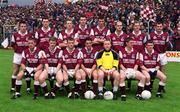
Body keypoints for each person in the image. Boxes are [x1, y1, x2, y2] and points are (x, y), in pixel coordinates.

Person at [10, 21, 33, 93]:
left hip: (27, 56)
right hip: (18, 55)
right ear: (19, 27)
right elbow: (13, 44)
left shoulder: (29, 35)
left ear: (26, 27)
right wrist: (17, 50)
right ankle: (13, 87)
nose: (23, 28)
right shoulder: (15, 35)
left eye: (24, 26)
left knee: (27, 71)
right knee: (15, 71)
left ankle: (28, 88)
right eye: (22, 26)